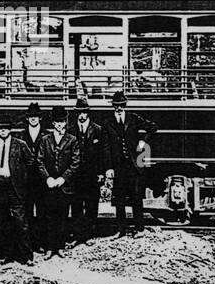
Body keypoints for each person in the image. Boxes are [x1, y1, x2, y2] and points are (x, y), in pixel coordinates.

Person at [100, 91, 151, 237]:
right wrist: (109, 167)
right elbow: (105, 147)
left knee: (136, 197)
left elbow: (152, 127)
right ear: (113, 107)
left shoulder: (133, 118)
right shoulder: (107, 122)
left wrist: (143, 141)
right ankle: (120, 230)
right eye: (116, 106)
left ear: (125, 105)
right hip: (118, 167)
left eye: (121, 105)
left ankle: (139, 229)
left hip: (133, 165)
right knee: (119, 199)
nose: (119, 108)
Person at [0, 113, 34, 265]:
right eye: (0, 129)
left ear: (10, 130)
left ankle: (26, 256)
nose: (3, 131)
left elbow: (31, 163)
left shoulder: (20, 144)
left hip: (15, 187)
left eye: (6, 129)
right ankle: (7, 254)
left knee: (21, 222)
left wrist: (23, 179)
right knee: (3, 223)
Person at [37, 106, 80, 257]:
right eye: (57, 122)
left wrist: (63, 178)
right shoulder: (45, 140)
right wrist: (48, 178)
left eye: (62, 122)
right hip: (48, 185)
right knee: (49, 217)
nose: (60, 125)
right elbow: (40, 161)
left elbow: (75, 163)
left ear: (66, 122)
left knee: (62, 217)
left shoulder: (72, 140)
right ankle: (49, 248)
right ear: (53, 123)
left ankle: (60, 247)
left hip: (64, 186)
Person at [68, 103, 106, 245]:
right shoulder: (71, 130)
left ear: (88, 113)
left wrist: (101, 172)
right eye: (79, 113)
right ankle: (78, 235)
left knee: (91, 205)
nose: (81, 115)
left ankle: (89, 235)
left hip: (92, 174)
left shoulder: (97, 130)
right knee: (76, 205)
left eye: (84, 112)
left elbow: (103, 153)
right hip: (76, 175)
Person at [20, 102, 46, 249]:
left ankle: (41, 242)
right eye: (31, 116)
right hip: (27, 179)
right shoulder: (22, 135)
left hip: (42, 179)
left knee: (42, 211)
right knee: (28, 211)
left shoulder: (46, 134)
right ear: (27, 118)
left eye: (35, 116)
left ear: (40, 118)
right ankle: (29, 243)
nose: (33, 119)